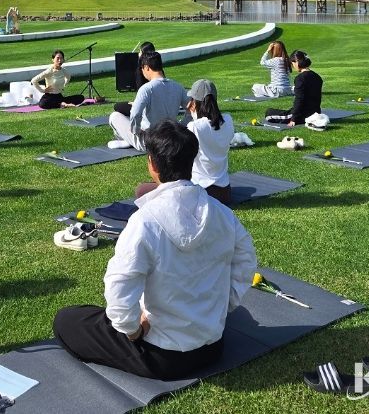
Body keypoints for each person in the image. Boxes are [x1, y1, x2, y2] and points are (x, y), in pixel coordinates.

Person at [53, 120, 257, 380]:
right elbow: (246, 262)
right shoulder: (223, 214)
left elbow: (120, 286)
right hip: (212, 346)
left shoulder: (145, 221)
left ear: (152, 164)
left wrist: (133, 331)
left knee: (66, 320)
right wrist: (222, 307)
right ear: (191, 162)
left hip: (162, 355)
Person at [136, 80, 234, 205]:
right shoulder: (228, 120)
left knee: (141, 190)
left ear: (194, 103)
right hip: (225, 192)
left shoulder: (195, 127)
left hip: (202, 191)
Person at [108, 51, 189, 150]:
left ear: (146, 67)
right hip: (169, 136)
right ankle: (129, 139)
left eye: (142, 68)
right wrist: (181, 126)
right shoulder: (178, 86)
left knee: (114, 116)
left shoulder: (147, 89)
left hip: (150, 141)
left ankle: (128, 140)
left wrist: (135, 132)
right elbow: (191, 109)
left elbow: (135, 114)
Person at [264, 50, 322, 127]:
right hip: (315, 113)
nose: (293, 66)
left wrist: (293, 119)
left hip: (302, 116)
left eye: (292, 63)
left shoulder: (300, 78)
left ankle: (293, 116)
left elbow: (299, 99)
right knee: (284, 111)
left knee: (269, 113)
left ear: (296, 62)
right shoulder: (317, 77)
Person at [113, 41, 156, 117]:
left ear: (143, 53)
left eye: (140, 52)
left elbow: (141, 90)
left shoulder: (141, 69)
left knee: (117, 106)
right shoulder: (157, 68)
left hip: (144, 106)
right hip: (157, 103)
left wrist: (136, 103)